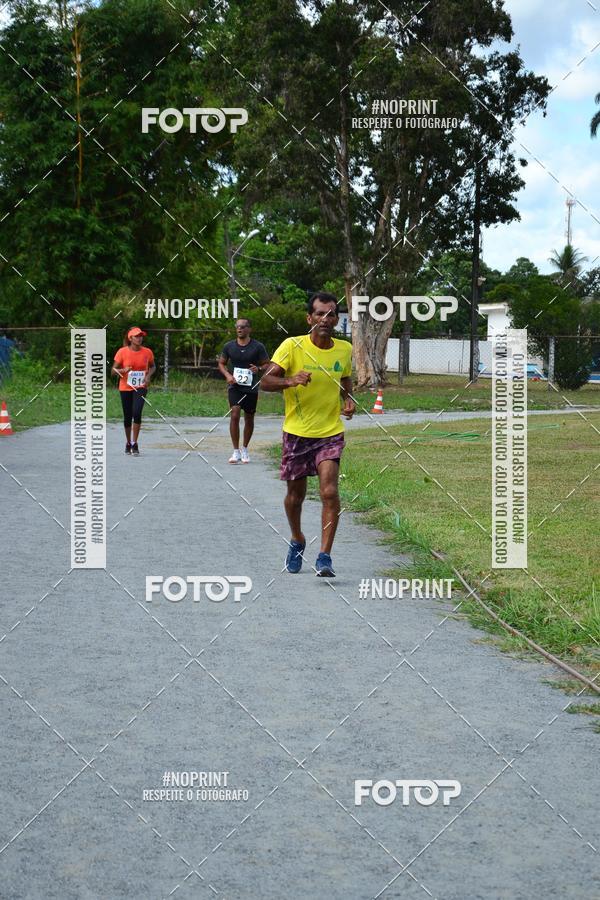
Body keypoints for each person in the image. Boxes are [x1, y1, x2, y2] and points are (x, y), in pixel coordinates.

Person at [261, 291, 355, 577]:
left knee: (329, 491)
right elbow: (266, 381)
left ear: (336, 319)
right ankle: (297, 538)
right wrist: (290, 380)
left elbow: (345, 379)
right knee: (295, 497)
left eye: (331, 314)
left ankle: (324, 556)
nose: (325, 319)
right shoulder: (292, 346)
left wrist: (348, 399)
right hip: (297, 433)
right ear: (309, 318)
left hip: (330, 432)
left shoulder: (344, 349)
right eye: (320, 314)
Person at [218, 318, 270, 464]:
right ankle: (235, 451)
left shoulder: (258, 346)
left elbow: (267, 364)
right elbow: (221, 363)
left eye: (243, 326)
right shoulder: (229, 346)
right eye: (237, 327)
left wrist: (258, 368)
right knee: (234, 414)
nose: (239, 329)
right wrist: (228, 375)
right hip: (235, 386)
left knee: (249, 417)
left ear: (249, 329)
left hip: (251, 387)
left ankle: (245, 448)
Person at [111, 327, 156, 455]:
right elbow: (112, 371)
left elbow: (153, 366)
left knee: (137, 412)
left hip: (141, 387)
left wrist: (148, 376)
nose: (140, 338)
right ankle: (128, 442)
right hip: (125, 387)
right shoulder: (122, 352)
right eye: (137, 336)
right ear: (130, 338)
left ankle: (134, 443)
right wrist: (122, 370)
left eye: (141, 336)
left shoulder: (147, 352)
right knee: (127, 416)